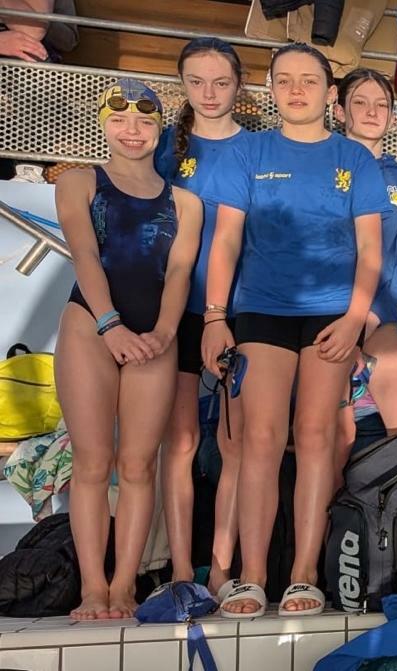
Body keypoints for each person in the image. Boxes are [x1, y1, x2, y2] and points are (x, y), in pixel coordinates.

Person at [201, 44, 389, 617]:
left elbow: (370, 251)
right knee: (258, 439)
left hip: (331, 315)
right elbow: (226, 240)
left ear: (330, 93)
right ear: (270, 88)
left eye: (308, 80)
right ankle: (253, 576)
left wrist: (355, 318)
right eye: (284, 80)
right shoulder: (249, 152)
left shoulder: (354, 159)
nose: (296, 90)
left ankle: (305, 573)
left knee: (315, 436)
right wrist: (215, 317)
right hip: (262, 310)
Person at [58, 79, 201, 619]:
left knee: (140, 465)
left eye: (144, 120)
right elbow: (84, 254)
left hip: (153, 336)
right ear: (104, 124)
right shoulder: (79, 181)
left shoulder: (186, 203)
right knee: (93, 462)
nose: (132, 130)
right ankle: (92, 588)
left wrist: (164, 333)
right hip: (90, 326)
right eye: (119, 119)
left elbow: (180, 273)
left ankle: (123, 587)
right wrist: (110, 325)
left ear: (159, 129)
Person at [153, 37, 252, 600]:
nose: (209, 94)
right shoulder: (164, 148)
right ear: (182, 85)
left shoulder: (259, 149)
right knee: (182, 439)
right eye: (196, 82)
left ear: (240, 85)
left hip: (240, 311)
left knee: (234, 444)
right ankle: (179, 573)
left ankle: (221, 569)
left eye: (221, 82)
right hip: (175, 311)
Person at [335, 69, 397, 445]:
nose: (372, 112)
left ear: (392, 116)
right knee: (332, 436)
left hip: (378, 318)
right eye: (360, 102)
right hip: (322, 317)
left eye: (382, 105)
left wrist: (371, 317)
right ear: (339, 110)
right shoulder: (320, 170)